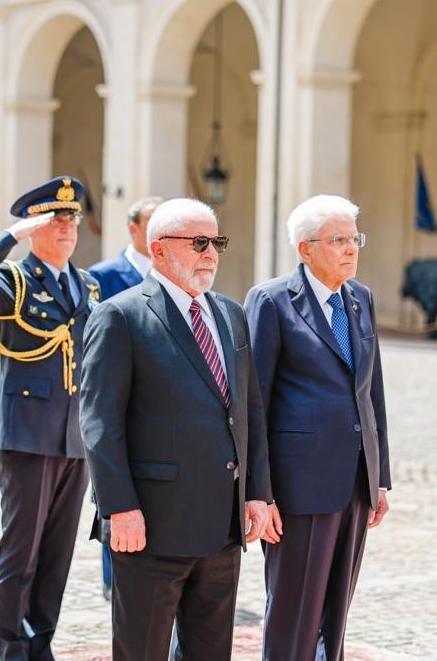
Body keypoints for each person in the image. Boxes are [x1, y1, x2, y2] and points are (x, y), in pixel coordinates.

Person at [80, 198, 273, 661]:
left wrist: (256, 493)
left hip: (221, 528)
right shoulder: (120, 315)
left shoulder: (229, 313)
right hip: (151, 527)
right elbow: (100, 422)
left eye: (217, 242)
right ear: (159, 249)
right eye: (200, 242)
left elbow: (249, 412)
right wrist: (119, 508)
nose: (211, 253)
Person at [0, 176, 101, 661]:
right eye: (55, 220)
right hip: (27, 437)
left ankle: (41, 647)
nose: (66, 228)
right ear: (34, 227)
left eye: (71, 218)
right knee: (21, 555)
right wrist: (10, 237)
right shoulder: (14, 281)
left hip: (75, 440)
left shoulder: (88, 286)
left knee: (56, 558)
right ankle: (13, 650)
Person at [243, 194, 391, 661]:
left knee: (335, 616)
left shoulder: (361, 297)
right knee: (294, 615)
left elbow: (373, 394)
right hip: (298, 487)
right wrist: (259, 492)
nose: (351, 249)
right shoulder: (270, 301)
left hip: (354, 482)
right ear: (305, 249)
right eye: (338, 240)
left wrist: (380, 476)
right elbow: (254, 403)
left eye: (354, 238)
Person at [86, 194, 163, 600]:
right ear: (133, 229)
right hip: (120, 398)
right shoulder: (102, 276)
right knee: (115, 490)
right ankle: (112, 580)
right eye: (151, 224)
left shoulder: (178, 276)